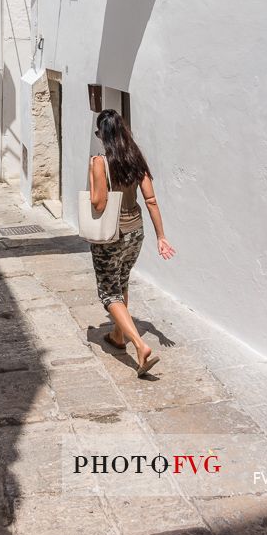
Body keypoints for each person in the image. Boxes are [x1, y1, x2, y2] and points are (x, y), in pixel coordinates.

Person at [89, 109, 176, 377]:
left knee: (108, 292)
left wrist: (93, 176)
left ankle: (139, 345)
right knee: (122, 279)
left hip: (111, 236)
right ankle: (117, 335)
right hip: (135, 232)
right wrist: (161, 237)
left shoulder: (100, 162)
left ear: (102, 135)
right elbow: (151, 200)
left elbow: (98, 202)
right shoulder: (136, 158)